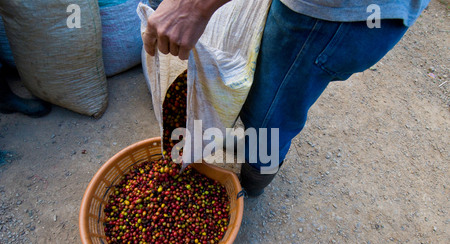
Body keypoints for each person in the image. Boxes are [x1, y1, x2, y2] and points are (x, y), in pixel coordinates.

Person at [143, 0, 430, 197]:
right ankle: (253, 152)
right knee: (263, 89)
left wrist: (196, 7)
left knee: (269, 117)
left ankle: (255, 180)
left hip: (342, 16)